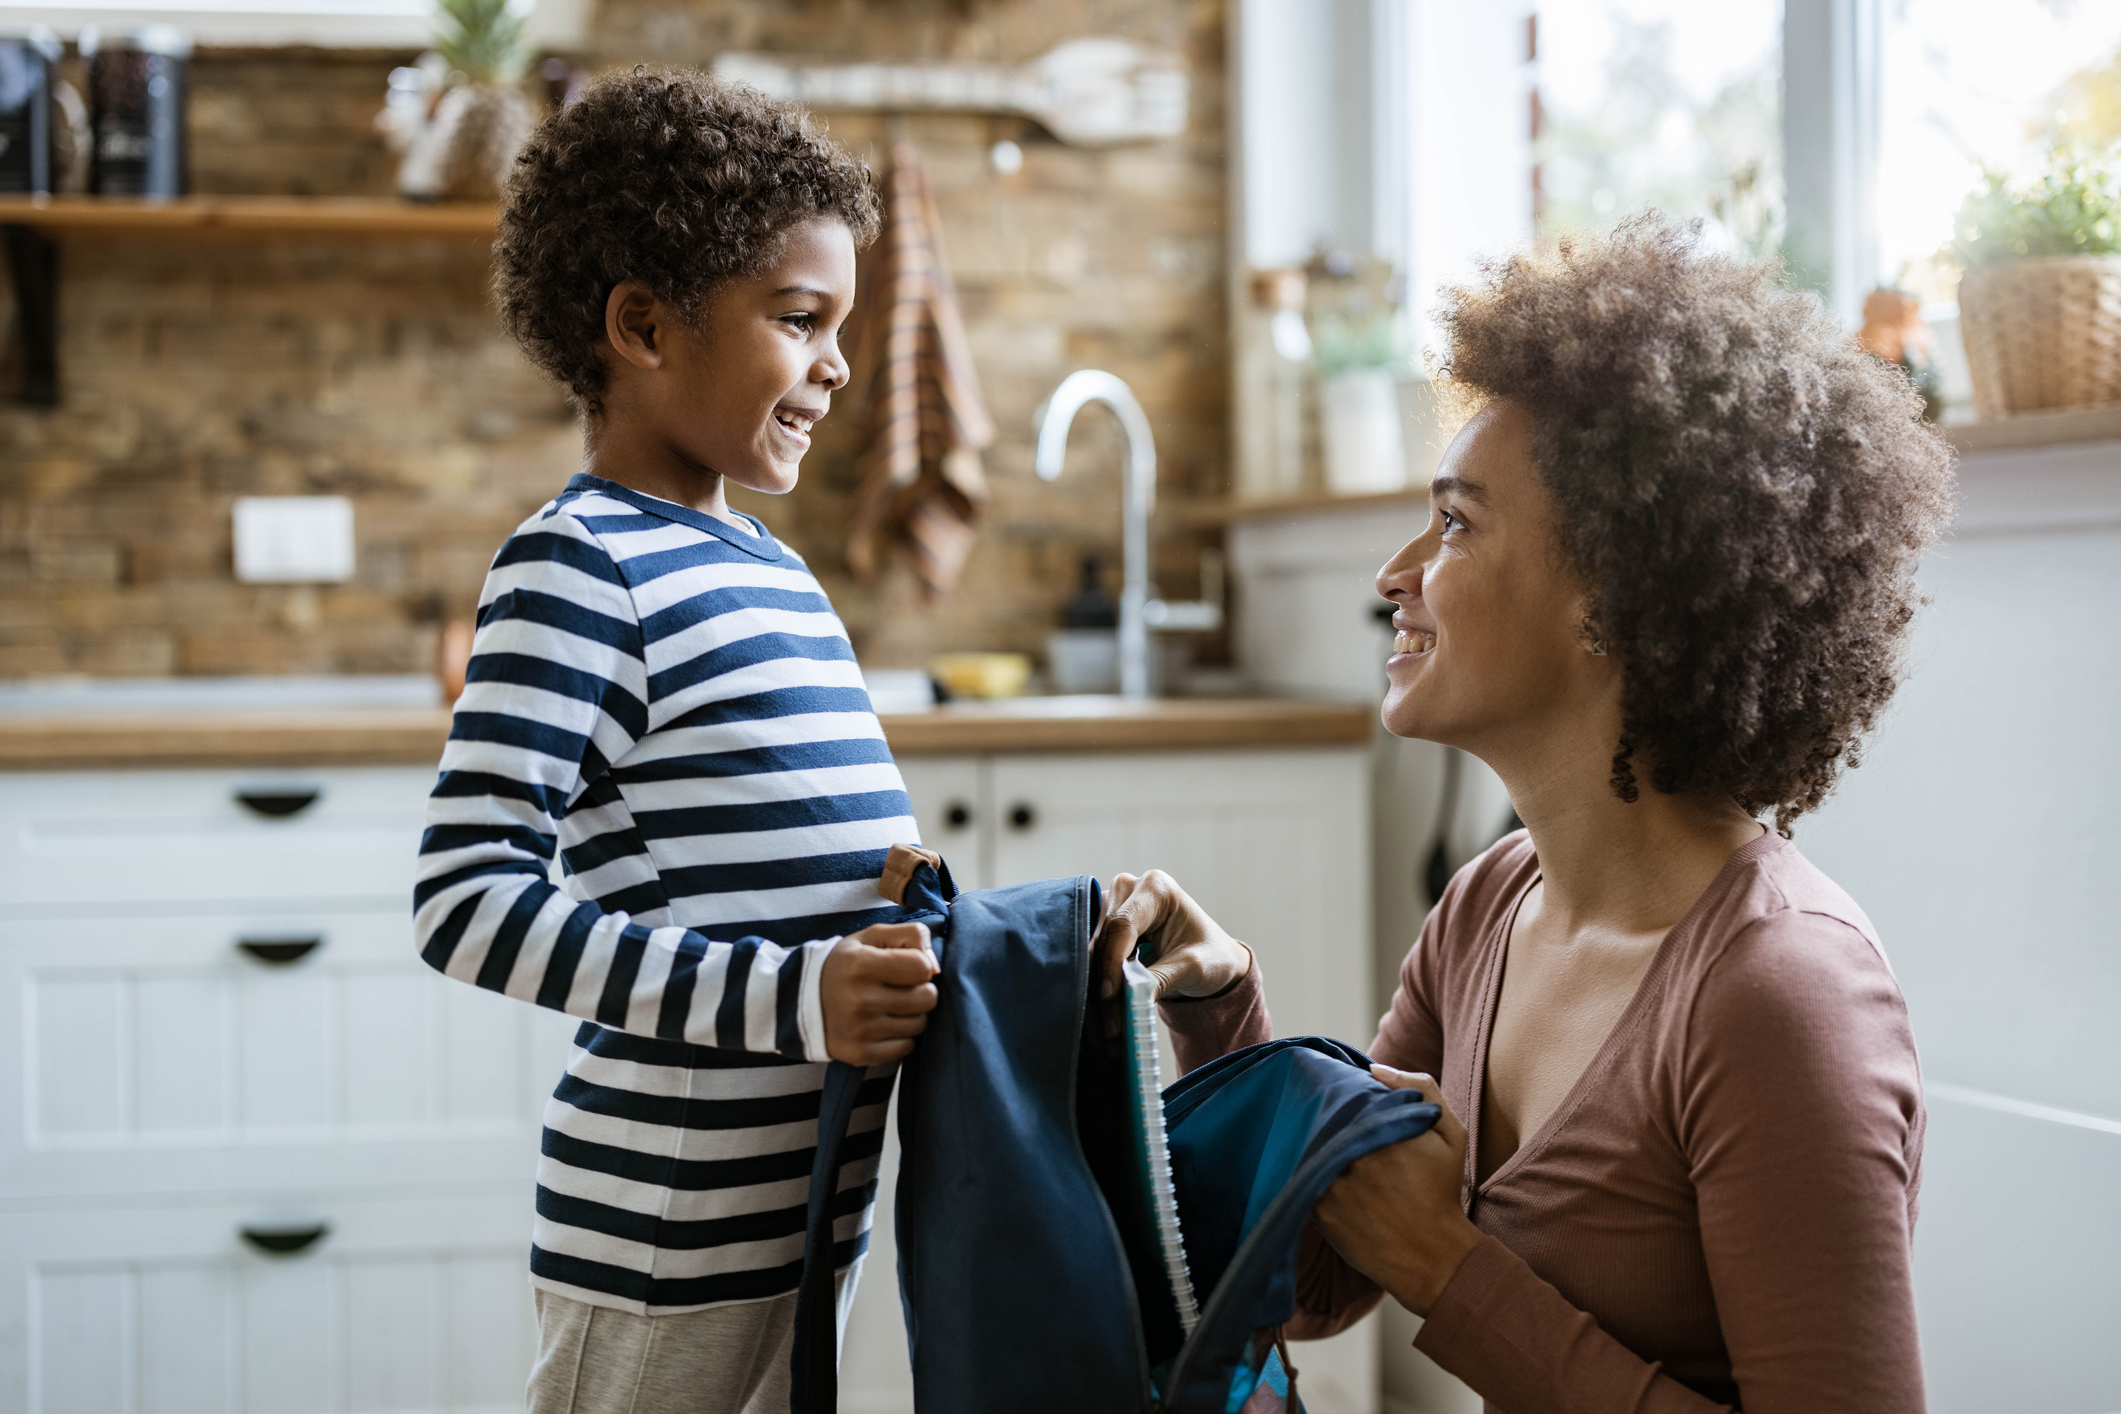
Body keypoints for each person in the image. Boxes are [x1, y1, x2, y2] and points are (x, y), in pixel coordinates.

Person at [1095, 220, 1955, 1413]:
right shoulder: (1492, 904)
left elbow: (1414, 1260)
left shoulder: (1780, 996)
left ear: (1611, 598)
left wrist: (1450, 1273)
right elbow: (1321, 1270)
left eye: (1454, 522)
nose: (1396, 576)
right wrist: (1217, 1005)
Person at [413, 71, 940, 1414]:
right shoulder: (580, 564)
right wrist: (794, 999)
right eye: (798, 319)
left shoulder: (769, 565)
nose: (834, 363)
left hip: (806, 1220)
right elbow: (464, 900)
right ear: (644, 325)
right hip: (662, 1236)